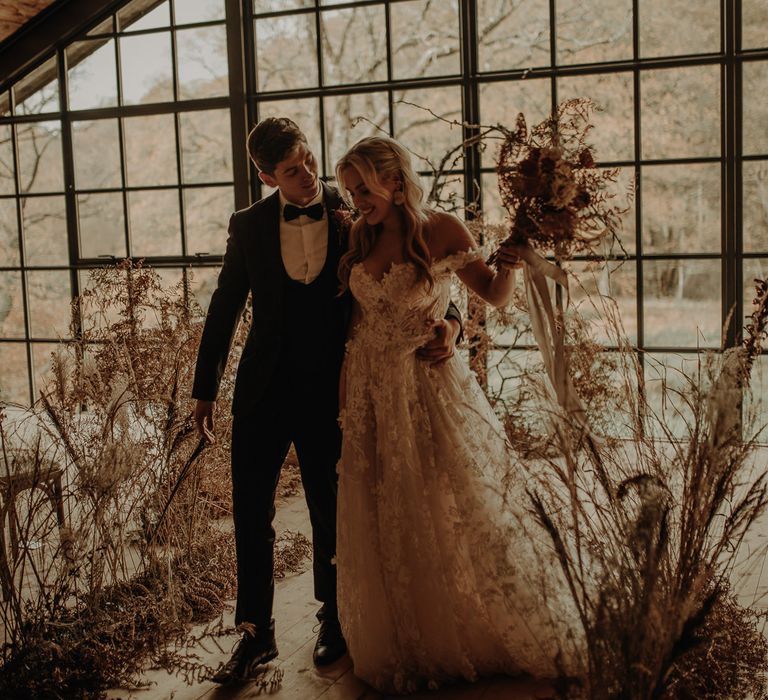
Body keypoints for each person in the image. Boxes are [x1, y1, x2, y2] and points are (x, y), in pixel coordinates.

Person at [191, 118, 463, 684]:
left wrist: (452, 326)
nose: (309, 174)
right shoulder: (248, 225)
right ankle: (255, 634)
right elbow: (224, 306)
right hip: (262, 389)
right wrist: (205, 389)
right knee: (251, 511)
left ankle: (333, 620)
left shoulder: (361, 207)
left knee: (329, 508)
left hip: (333, 388)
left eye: (310, 159)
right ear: (268, 176)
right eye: (292, 170)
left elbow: (423, 270)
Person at [334, 136, 582, 693]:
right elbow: (358, 324)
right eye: (350, 193)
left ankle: (466, 625)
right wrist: (346, 401)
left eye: (362, 190)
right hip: (370, 389)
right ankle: (404, 631)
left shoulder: (442, 229)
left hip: (426, 385)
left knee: (446, 497)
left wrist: (512, 257)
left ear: (394, 181)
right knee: (384, 506)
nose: (355, 203)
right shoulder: (360, 233)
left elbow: (493, 297)